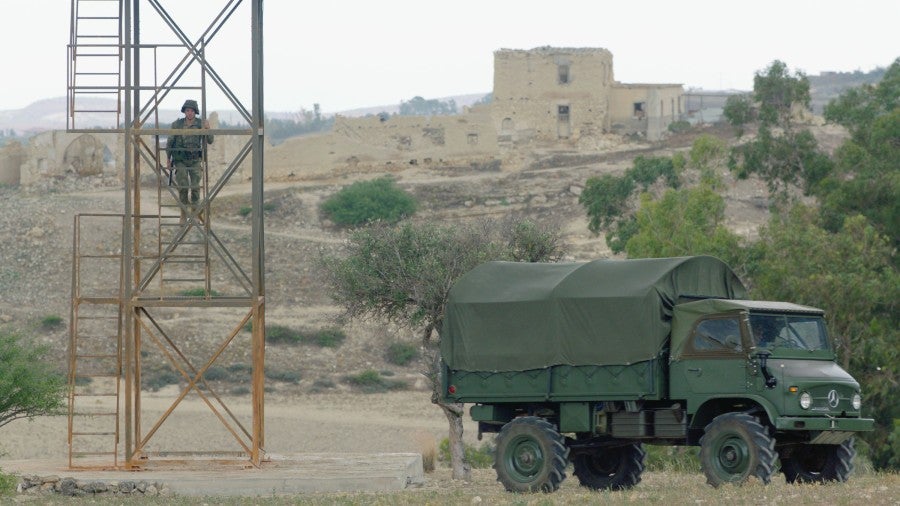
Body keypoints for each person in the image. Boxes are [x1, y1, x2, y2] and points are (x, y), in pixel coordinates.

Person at [166, 99, 213, 221]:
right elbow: (170, 142)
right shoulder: (177, 124)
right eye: (187, 110)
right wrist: (168, 158)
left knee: (195, 187)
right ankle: (183, 212)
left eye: (192, 110)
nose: (190, 113)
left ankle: (195, 211)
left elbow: (210, 140)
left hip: (195, 159)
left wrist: (208, 129)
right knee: (183, 187)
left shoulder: (201, 123)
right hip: (180, 159)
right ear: (184, 111)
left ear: (195, 112)